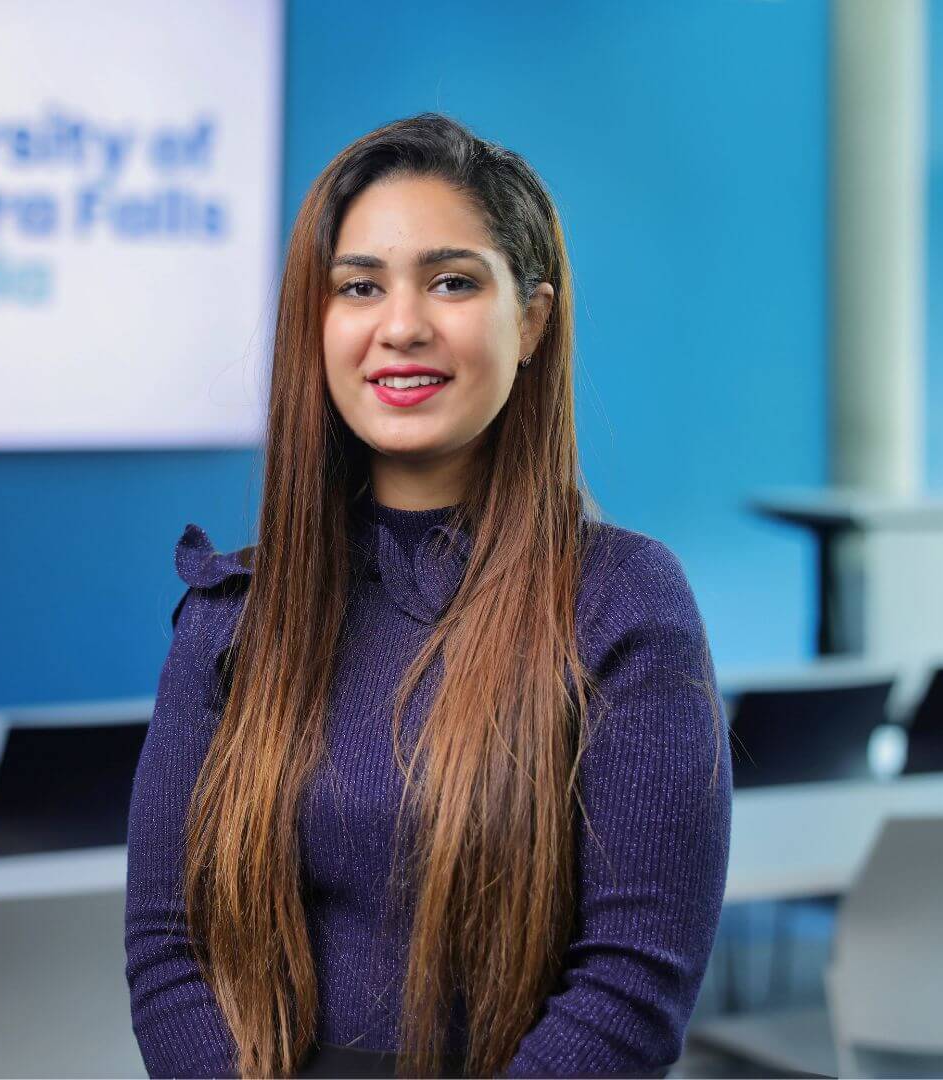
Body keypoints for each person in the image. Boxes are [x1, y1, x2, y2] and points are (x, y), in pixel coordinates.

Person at [124, 113, 732, 1080]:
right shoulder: (233, 614)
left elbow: (631, 990)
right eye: (359, 286)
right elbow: (169, 950)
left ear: (531, 322)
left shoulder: (622, 603)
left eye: (452, 281)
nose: (400, 325)